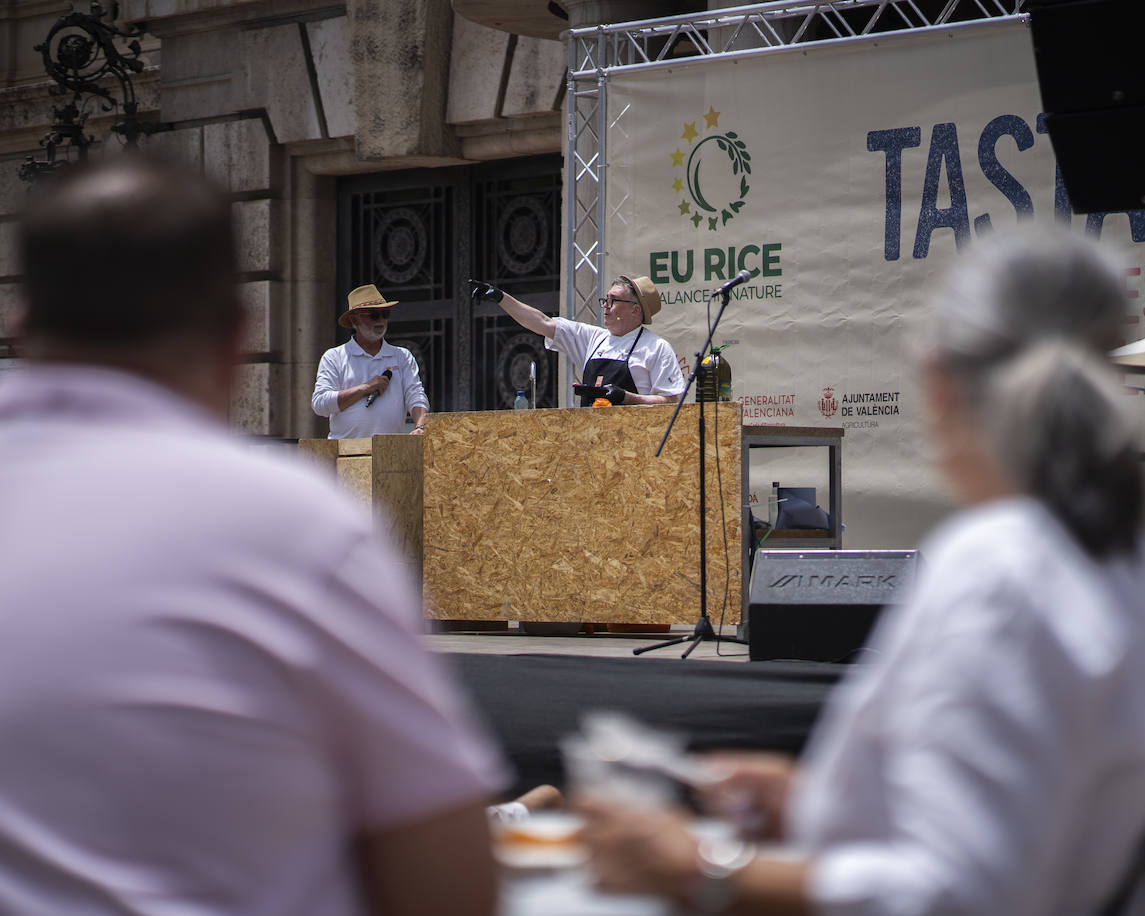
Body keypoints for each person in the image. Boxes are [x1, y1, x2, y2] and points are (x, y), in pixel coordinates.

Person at [577, 230, 1145, 915]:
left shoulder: (1000, 573)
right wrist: (813, 805)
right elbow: (1040, 818)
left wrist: (703, 869)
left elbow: (957, 892)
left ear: (938, 384)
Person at [0, 155, 508, 915]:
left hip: (396, 462)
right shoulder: (300, 527)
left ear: (20, 327)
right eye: (370, 317)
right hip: (349, 465)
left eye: (382, 317)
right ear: (238, 339)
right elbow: (449, 885)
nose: (379, 325)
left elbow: (422, 401)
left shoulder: (394, 377)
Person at [470, 276, 686, 406]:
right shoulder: (593, 338)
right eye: (605, 300)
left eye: (614, 301)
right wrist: (501, 298)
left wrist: (627, 398)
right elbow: (541, 322)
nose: (606, 306)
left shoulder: (656, 348)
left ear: (635, 309)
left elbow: (669, 403)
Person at [312, 284, 429, 438]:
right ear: (354, 321)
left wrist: (421, 426)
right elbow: (320, 405)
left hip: (389, 452)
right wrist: (366, 388)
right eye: (373, 315)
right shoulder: (334, 357)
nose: (380, 320)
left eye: (385, 314)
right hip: (346, 453)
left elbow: (416, 395)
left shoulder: (402, 356)